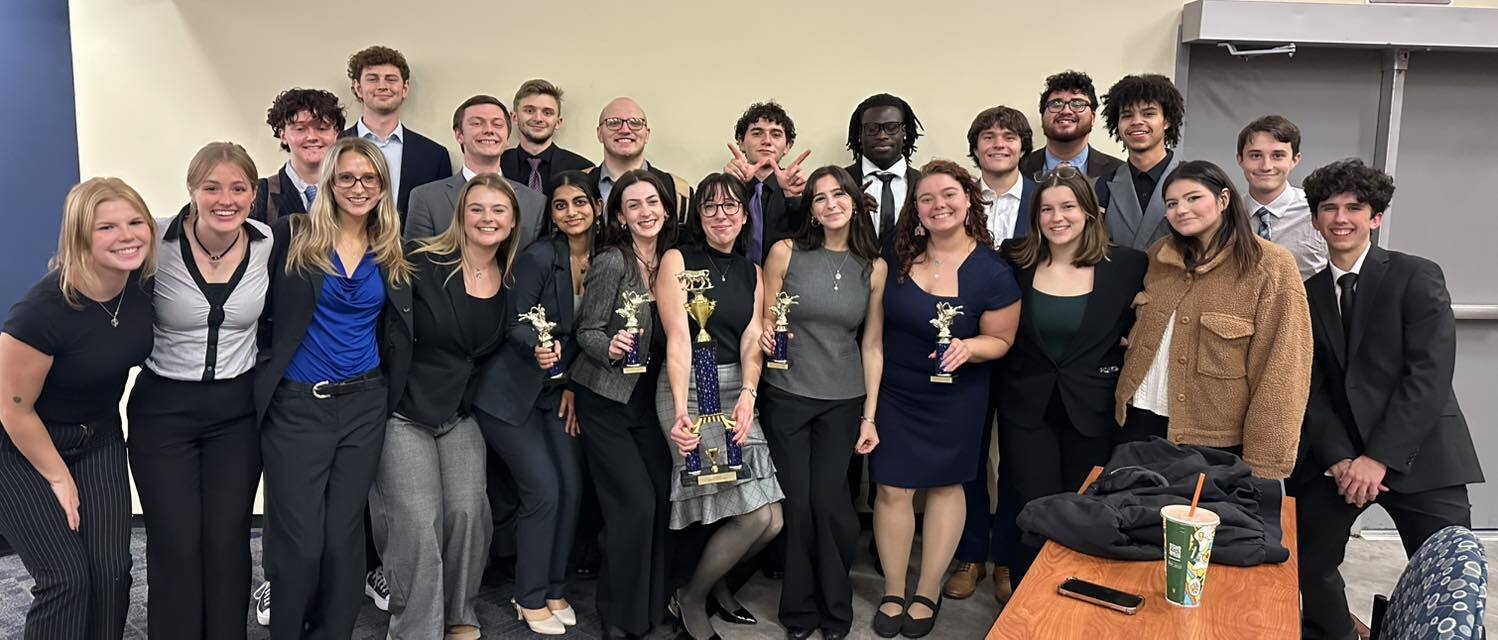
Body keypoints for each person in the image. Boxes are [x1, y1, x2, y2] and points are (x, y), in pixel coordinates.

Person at [1292, 159, 1484, 640]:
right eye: (1329, 208)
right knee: (1305, 561)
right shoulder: (1304, 294)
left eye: (1354, 207)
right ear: (1314, 219)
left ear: (1375, 217)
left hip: (1419, 453)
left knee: (1448, 575)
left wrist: (1378, 458)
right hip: (1340, 461)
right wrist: (1339, 459)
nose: (1341, 218)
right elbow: (1308, 386)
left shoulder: (1416, 276)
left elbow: (1429, 376)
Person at [254, 137, 413, 640]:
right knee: (300, 540)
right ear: (330, 183)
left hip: (364, 404)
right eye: (347, 177)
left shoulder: (390, 249)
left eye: (370, 178)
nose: (358, 187)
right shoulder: (291, 235)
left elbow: (395, 329)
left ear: (383, 187)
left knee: (344, 536)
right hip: (298, 405)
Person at [870, 160, 1021, 639]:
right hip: (896, 392)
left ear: (968, 201)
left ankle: (928, 589)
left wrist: (971, 347)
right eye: (927, 198)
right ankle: (894, 588)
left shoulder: (993, 271)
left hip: (958, 396)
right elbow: (873, 333)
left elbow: (1002, 340)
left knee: (945, 487)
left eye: (949, 195)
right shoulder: (894, 260)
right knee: (892, 488)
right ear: (916, 209)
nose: (939, 205)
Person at [126, 143, 271, 640]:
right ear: (191, 191)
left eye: (237, 188)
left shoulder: (268, 241)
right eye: (211, 188)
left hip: (237, 412)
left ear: (254, 194)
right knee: (176, 540)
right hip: (164, 411)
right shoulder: (154, 240)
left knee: (228, 538)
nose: (224, 199)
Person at [0, 178, 154, 639]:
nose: (126, 236)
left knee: (111, 573)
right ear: (79, 237)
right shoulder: (41, 311)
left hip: (99, 437)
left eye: (135, 222)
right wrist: (56, 475)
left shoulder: (142, 290)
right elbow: (13, 408)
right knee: (66, 580)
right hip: (21, 446)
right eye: (106, 226)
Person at [369, 173, 522, 640]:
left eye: (498, 210)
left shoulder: (513, 283)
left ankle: (459, 615)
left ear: (513, 220)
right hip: (403, 411)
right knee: (417, 520)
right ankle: (415, 628)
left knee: (469, 513)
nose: (487, 218)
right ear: (461, 215)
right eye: (477, 208)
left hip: (459, 413)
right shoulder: (419, 261)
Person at [995, 166, 1147, 586]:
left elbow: (1154, 314)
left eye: (1068, 207)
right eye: (1046, 209)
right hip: (1027, 409)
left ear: (1090, 212)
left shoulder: (1128, 265)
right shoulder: (1014, 259)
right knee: (1033, 507)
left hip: (1094, 409)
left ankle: (1077, 601)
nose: (1056, 217)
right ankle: (1032, 599)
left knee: (1087, 509)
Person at [1114, 160, 1311, 480]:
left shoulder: (1271, 267)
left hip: (1214, 442)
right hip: (1137, 424)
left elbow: (1282, 374)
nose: (1181, 210)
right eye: (1172, 203)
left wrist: (1264, 465)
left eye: (1194, 198)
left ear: (1223, 200)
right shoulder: (1158, 256)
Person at [657, 174, 787, 640]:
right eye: (710, 208)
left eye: (731, 207)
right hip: (693, 385)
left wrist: (750, 394)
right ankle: (690, 598)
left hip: (738, 389)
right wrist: (677, 410)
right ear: (699, 216)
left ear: (745, 214)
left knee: (772, 520)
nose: (721, 216)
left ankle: (714, 584)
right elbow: (677, 338)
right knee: (752, 514)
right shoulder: (677, 260)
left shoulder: (750, 270)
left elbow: (753, 336)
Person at [758, 165, 884, 640]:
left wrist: (870, 415)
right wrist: (766, 334)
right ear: (809, 208)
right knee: (799, 504)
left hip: (844, 400)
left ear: (854, 201)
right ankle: (798, 611)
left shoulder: (873, 266)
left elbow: (872, 345)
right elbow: (764, 320)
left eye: (839, 194)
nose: (830, 203)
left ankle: (837, 608)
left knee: (832, 503)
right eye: (819, 197)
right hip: (788, 396)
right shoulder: (784, 253)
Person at [469, 171, 597, 635]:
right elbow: (517, 323)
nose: (571, 212)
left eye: (580, 202)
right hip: (509, 394)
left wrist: (570, 384)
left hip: (558, 392)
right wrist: (537, 347)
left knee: (571, 488)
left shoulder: (605, 259)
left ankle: (554, 587)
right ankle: (528, 596)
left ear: (596, 207)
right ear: (551, 215)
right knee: (542, 490)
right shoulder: (539, 256)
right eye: (560, 205)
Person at [570, 170, 677, 639]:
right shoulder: (613, 261)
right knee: (632, 506)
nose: (645, 212)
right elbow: (586, 330)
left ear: (666, 209)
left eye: (652, 202)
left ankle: (651, 609)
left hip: (649, 403)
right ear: (619, 216)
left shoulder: (673, 263)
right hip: (606, 399)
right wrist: (609, 346)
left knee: (658, 501)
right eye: (633, 205)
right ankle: (617, 616)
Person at [943, 106, 1041, 604]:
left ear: (1024, 146)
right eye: (987, 136)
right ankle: (970, 554)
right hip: (963, 346)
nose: (998, 143)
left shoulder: (1045, 199)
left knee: (1017, 462)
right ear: (975, 146)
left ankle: (1008, 557)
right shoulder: (954, 199)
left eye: (1008, 136)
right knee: (970, 456)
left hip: (1027, 347)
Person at [406, 95, 545, 244]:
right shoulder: (426, 198)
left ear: (507, 137)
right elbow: (416, 262)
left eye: (497, 124)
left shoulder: (534, 202)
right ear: (459, 135)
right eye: (477, 123)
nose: (489, 130)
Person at [340, 45, 453, 220]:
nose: (383, 86)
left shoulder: (434, 156)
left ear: (405, 88)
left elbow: (440, 219)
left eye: (391, 79)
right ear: (358, 87)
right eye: (373, 79)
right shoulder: (333, 148)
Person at [1095, 74, 1185, 251]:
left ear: (1167, 121)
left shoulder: (1194, 180)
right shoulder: (1104, 185)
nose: (1137, 122)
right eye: (1127, 115)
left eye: (1149, 114)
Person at [1235, 115, 1327, 280]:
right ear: (1240, 159)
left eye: (1278, 156)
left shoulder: (1319, 210)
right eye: (1256, 156)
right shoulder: (1226, 215)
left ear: (1295, 160)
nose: (1266, 166)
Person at [721, 101, 812, 264]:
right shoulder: (726, 186)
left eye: (776, 134)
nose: (767, 141)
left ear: (787, 146)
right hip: (731, 279)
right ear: (741, 142)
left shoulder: (799, 190)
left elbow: (812, 243)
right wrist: (726, 188)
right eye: (757, 133)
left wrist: (795, 198)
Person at [585, 97, 693, 217]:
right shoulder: (577, 186)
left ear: (647, 134)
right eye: (614, 122)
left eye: (635, 123)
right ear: (599, 133)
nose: (625, 130)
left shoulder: (678, 192)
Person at [254, 88, 346, 224]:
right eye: (300, 129)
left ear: (335, 133)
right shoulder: (261, 193)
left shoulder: (352, 189)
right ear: (283, 134)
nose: (312, 137)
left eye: (321, 128)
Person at [844, 94, 923, 245]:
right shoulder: (838, 182)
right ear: (860, 133)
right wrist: (848, 211)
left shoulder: (924, 183)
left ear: (904, 131)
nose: (882, 135)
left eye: (891, 127)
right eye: (872, 129)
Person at [1017, 70, 1124, 179]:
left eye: (1077, 104)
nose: (1066, 111)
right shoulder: (1018, 167)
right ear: (1042, 115)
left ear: (1093, 117)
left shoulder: (1119, 172)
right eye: (1056, 104)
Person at [501, 79, 594, 192]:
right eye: (530, 111)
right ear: (514, 117)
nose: (538, 119)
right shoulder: (499, 164)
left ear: (558, 122)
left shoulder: (581, 168)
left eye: (547, 113)